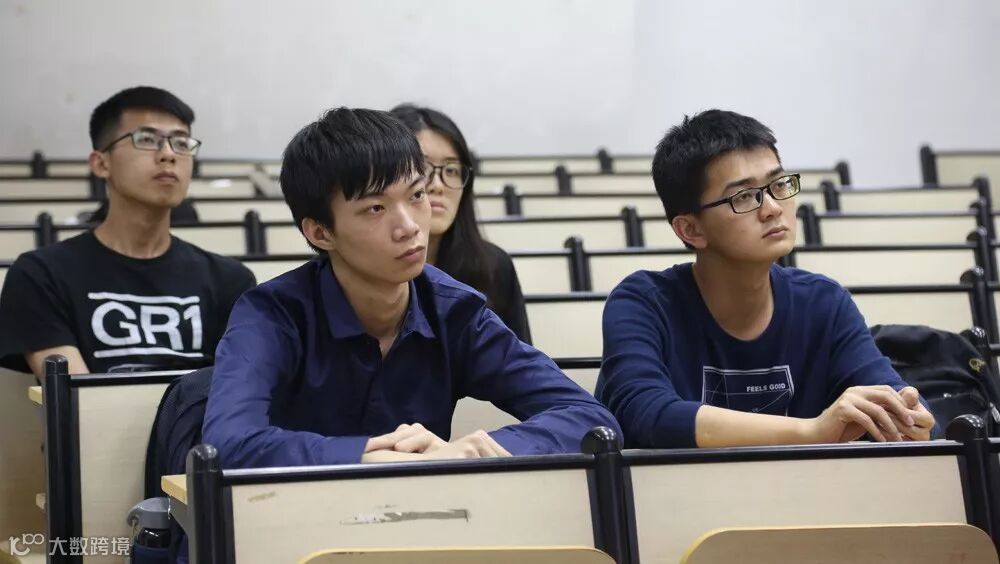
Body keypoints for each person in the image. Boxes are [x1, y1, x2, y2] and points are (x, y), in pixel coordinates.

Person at [202, 107, 619, 467]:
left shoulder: (453, 310)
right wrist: (360, 456)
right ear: (321, 232)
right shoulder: (272, 314)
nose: (409, 227)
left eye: (416, 195)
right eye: (375, 208)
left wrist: (473, 451)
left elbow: (589, 418)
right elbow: (227, 444)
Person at [595, 109, 936, 449]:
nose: (772, 207)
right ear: (691, 229)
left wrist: (909, 420)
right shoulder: (644, 303)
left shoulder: (823, 302)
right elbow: (646, 414)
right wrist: (813, 432)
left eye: (779, 185)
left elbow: (894, 398)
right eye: (744, 196)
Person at [0, 86, 255, 377]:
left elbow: (240, 390)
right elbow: (78, 397)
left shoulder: (229, 280)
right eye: (146, 139)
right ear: (101, 163)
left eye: (181, 143)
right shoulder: (41, 276)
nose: (168, 154)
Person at [390, 104, 531, 342]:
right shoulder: (358, 266)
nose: (438, 185)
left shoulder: (494, 266)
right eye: (422, 168)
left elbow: (521, 361)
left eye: (452, 170)